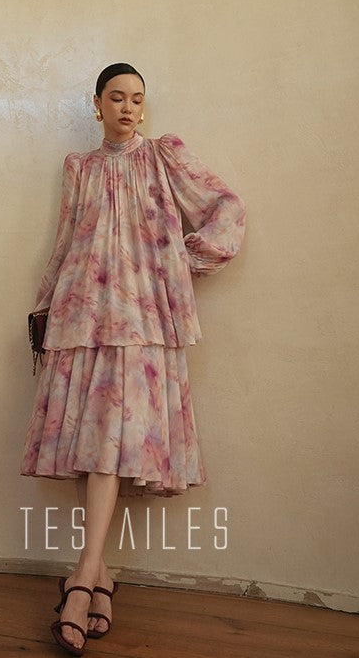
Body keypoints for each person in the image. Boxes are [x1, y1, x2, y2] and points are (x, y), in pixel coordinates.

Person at [20, 62, 246, 655]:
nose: (128, 107)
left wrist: (180, 259)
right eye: (116, 97)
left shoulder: (163, 157)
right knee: (91, 447)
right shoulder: (80, 168)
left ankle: (80, 582)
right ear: (97, 104)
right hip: (81, 315)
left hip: (142, 320)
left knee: (107, 449)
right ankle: (99, 579)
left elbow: (227, 207)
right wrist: (44, 305)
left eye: (137, 98)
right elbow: (67, 240)